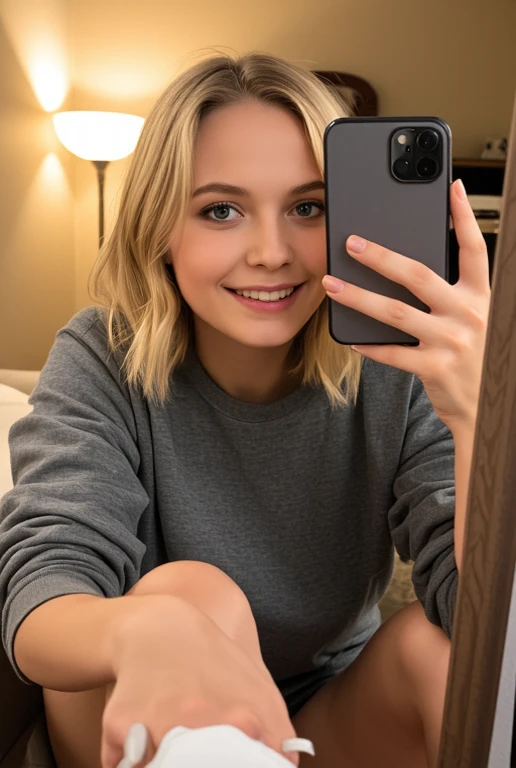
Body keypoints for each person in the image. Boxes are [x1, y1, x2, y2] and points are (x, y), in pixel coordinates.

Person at [0, 51, 490, 768]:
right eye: (220, 210)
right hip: (143, 703)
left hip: (320, 716)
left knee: (438, 652)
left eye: (307, 207)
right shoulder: (102, 355)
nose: (270, 252)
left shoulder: (399, 367)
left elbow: (482, 624)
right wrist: (152, 629)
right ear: (161, 228)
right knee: (192, 593)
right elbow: (42, 595)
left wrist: (479, 413)